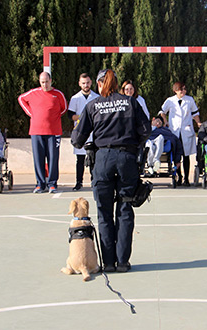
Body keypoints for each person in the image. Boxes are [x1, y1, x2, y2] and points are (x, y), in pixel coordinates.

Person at [71, 69, 151, 272]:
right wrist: (133, 145)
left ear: (99, 85)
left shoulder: (93, 105)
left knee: (104, 212)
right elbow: (146, 130)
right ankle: (123, 262)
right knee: (125, 210)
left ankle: (108, 263)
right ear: (116, 84)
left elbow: (77, 140)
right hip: (127, 159)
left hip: (103, 160)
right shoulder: (131, 102)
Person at [18, 72, 67, 194]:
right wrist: (31, 113)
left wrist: (53, 117)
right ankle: (40, 184)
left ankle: (52, 184)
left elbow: (64, 108)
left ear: (51, 80)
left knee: (53, 158)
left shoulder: (58, 94)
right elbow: (21, 99)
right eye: (42, 82)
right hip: (36, 131)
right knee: (38, 158)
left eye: (46, 81)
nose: (45, 84)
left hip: (53, 132)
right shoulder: (33, 93)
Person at [160, 81, 202, 186]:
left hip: (186, 131)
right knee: (176, 156)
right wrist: (165, 121)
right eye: (180, 89)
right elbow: (162, 112)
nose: (183, 91)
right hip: (174, 131)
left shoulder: (190, 100)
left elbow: (195, 113)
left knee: (186, 155)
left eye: (184, 89)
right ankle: (178, 177)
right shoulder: (170, 100)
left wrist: (198, 123)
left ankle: (187, 179)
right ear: (175, 90)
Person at [67, 73, 99, 191]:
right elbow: (70, 115)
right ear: (80, 84)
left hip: (94, 132)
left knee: (93, 158)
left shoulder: (96, 97)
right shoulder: (75, 98)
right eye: (83, 83)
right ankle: (78, 182)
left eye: (88, 82)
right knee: (80, 160)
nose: (86, 85)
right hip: (80, 132)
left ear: (91, 83)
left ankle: (94, 181)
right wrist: (82, 118)